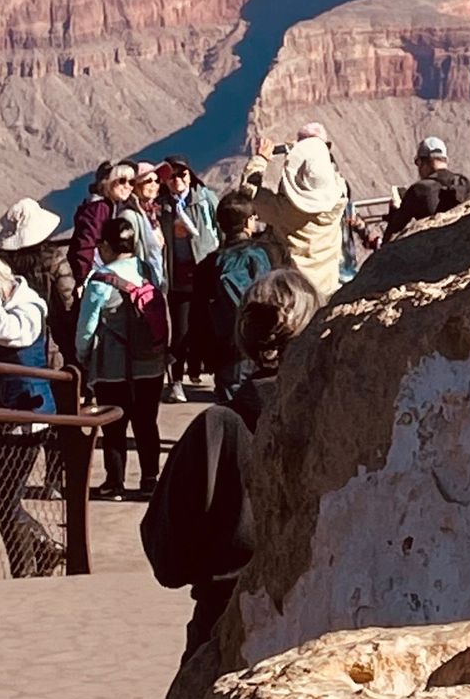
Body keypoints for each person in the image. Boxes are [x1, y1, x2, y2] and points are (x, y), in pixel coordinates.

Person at [141, 266, 320, 652]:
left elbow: (166, 558)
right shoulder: (341, 424)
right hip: (324, 629)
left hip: (223, 632)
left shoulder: (215, 429)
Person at [0, 254, 60, 574]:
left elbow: (7, 332)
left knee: (2, 499)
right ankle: (41, 551)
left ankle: (31, 561)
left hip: (25, 417)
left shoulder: (27, 309)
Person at [74, 210, 169, 498]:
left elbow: (87, 327)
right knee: (146, 422)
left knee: (114, 425)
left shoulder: (100, 281)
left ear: (105, 246)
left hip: (113, 365)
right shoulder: (148, 270)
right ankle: (150, 479)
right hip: (151, 363)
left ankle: (114, 482)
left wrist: (83, 356)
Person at [239, 134, 348, 302]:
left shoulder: (283, 211)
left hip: (295, 289)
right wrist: (306, 153)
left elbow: (248, 190)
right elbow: (327, 173)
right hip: (327, 286)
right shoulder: (338, 201)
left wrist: (260, 159)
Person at [192, 195, 275, 400]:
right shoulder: (265, 254)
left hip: (225, 350)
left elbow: (197, 316)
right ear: (248, 222)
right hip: (261, 345)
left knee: (231, 408)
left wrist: (197, 356)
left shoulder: (207, 265)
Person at [155, 157, 218, 392]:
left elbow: (219, 228)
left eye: (182, 174)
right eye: (172, 176)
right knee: (180, 330)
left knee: (205, 325)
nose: (178, 180)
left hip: (204, 273)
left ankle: (206, 370)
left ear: (190, 176)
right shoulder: (162, 207)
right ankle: (176, 380)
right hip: (176, 277)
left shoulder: (205, 200)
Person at [0, 197, 78, 365]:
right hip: (49, 326)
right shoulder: (53, 258)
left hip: (10, 328)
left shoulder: (0, 261)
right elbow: (67, 294)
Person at [389, 138, 470, 236]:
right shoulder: (464, 183)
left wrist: (394, 211)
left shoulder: (419, 190)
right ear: (445, 160)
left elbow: (393, 231)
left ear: (423, 162)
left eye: (418, 163)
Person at [70, 160, 136, 284]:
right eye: (121, 181)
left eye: (131, 182)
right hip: (94, 275)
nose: (128, 186)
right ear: (108, 182)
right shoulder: (98, 208)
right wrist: (83, 279)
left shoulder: (109, 205)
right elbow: (85, 243)